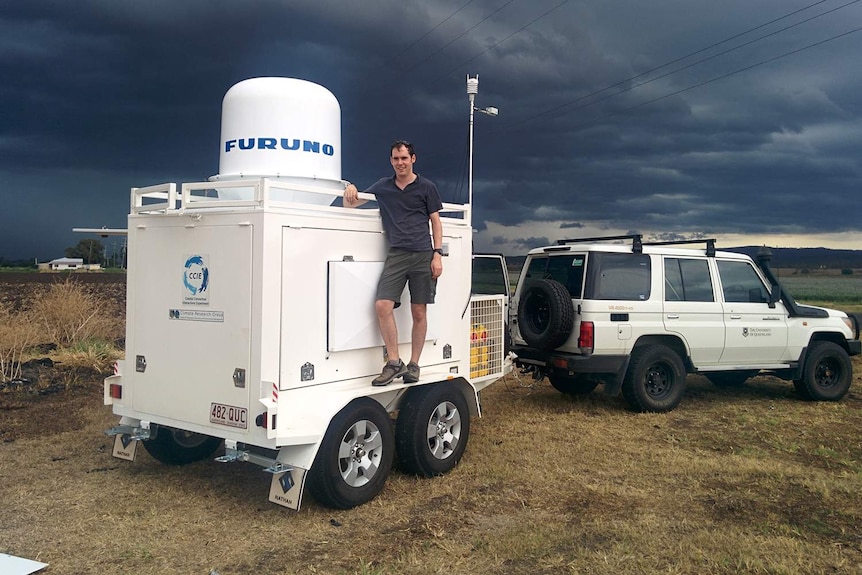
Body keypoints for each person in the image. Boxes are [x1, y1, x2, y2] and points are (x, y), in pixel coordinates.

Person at [343, 140, 444, 386]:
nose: (400, 163)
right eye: (396, 159)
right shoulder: (383, 186)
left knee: (419, 311)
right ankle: (394, 363)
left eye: (404, 158)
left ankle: (414, 365)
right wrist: (350, 188)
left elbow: (436, 222)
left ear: (413, 159)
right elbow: (352, 203)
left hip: (422, 254)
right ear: (391, 161)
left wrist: (437, 254)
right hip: (397, 254)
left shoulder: (426, 187)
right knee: (382, 305)